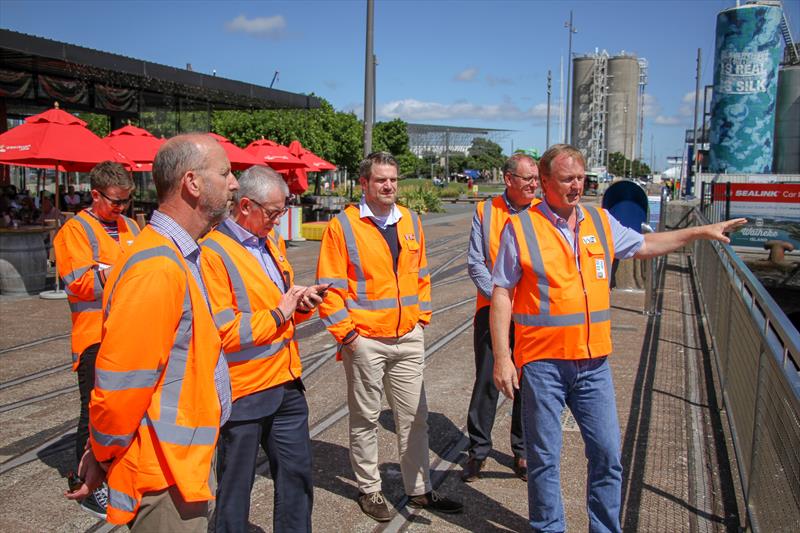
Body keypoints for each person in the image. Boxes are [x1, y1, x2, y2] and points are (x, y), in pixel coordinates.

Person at [490, 144, 747, 533]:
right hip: (543, 364)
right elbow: (502, 294)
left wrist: (698, 232)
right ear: (544, 182)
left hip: (594, 364)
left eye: (581, 179)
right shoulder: (522, 228)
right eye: (567, 180)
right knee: (544, 459)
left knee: (608, 454)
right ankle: (548, 528)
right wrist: (502, 358)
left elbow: (644, 245)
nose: (577, 187)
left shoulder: (600, 222)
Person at [65, 134, 239, 532]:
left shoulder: (178, 254)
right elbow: (121, 383)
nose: (233, 184)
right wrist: (103, 454)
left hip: (180, 464)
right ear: (192, 183)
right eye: (225, 173)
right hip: (163, 477)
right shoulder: (158, 266)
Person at [316, 151, 463, 522]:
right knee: (365, 418)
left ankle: (419, 490)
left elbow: (422, 274)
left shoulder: (411, 220)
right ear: (364, 183)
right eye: (381, 180)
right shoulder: (343, 226)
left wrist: (421, 317)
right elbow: (329, 287)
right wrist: (348, 335)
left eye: (394, 180)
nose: (389, 186)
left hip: (407, 337)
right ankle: (370, 489)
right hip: (364, 339)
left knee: (415, 417)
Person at [200, 166, 327, 533]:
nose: (278, 220)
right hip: (243, 391)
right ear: (244, 206)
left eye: (282, 211)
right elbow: (223, 330)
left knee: (297, 477)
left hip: (285, 382)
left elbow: (278, 304)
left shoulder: (270, 242)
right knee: (236, 488)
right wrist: (278, 313)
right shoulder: (212, 253)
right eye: (273, 213)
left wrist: (300, 304)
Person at [53, 161, 139, 518]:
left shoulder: (131, 226)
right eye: (115, 201)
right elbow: (79, 282)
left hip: (128, 333)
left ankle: (114, 478)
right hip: (94, 338)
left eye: (126, 201)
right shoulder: (74, 231)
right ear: (95, 195)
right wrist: (120, 271)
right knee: (93, 413)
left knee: (122, 410)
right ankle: (84, 483)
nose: (121, 208)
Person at [462, 153, 538, 483]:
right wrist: (499, 299)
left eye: (537, 179)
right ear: (509, 180)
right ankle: (478, 451)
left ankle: (522, 452)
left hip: (533, 314)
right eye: (528, 179)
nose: (535, 184)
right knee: (487, 381)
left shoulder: (543, 211)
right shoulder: (486, 210)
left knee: (528, 382)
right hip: (491, 310)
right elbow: (476, 261)